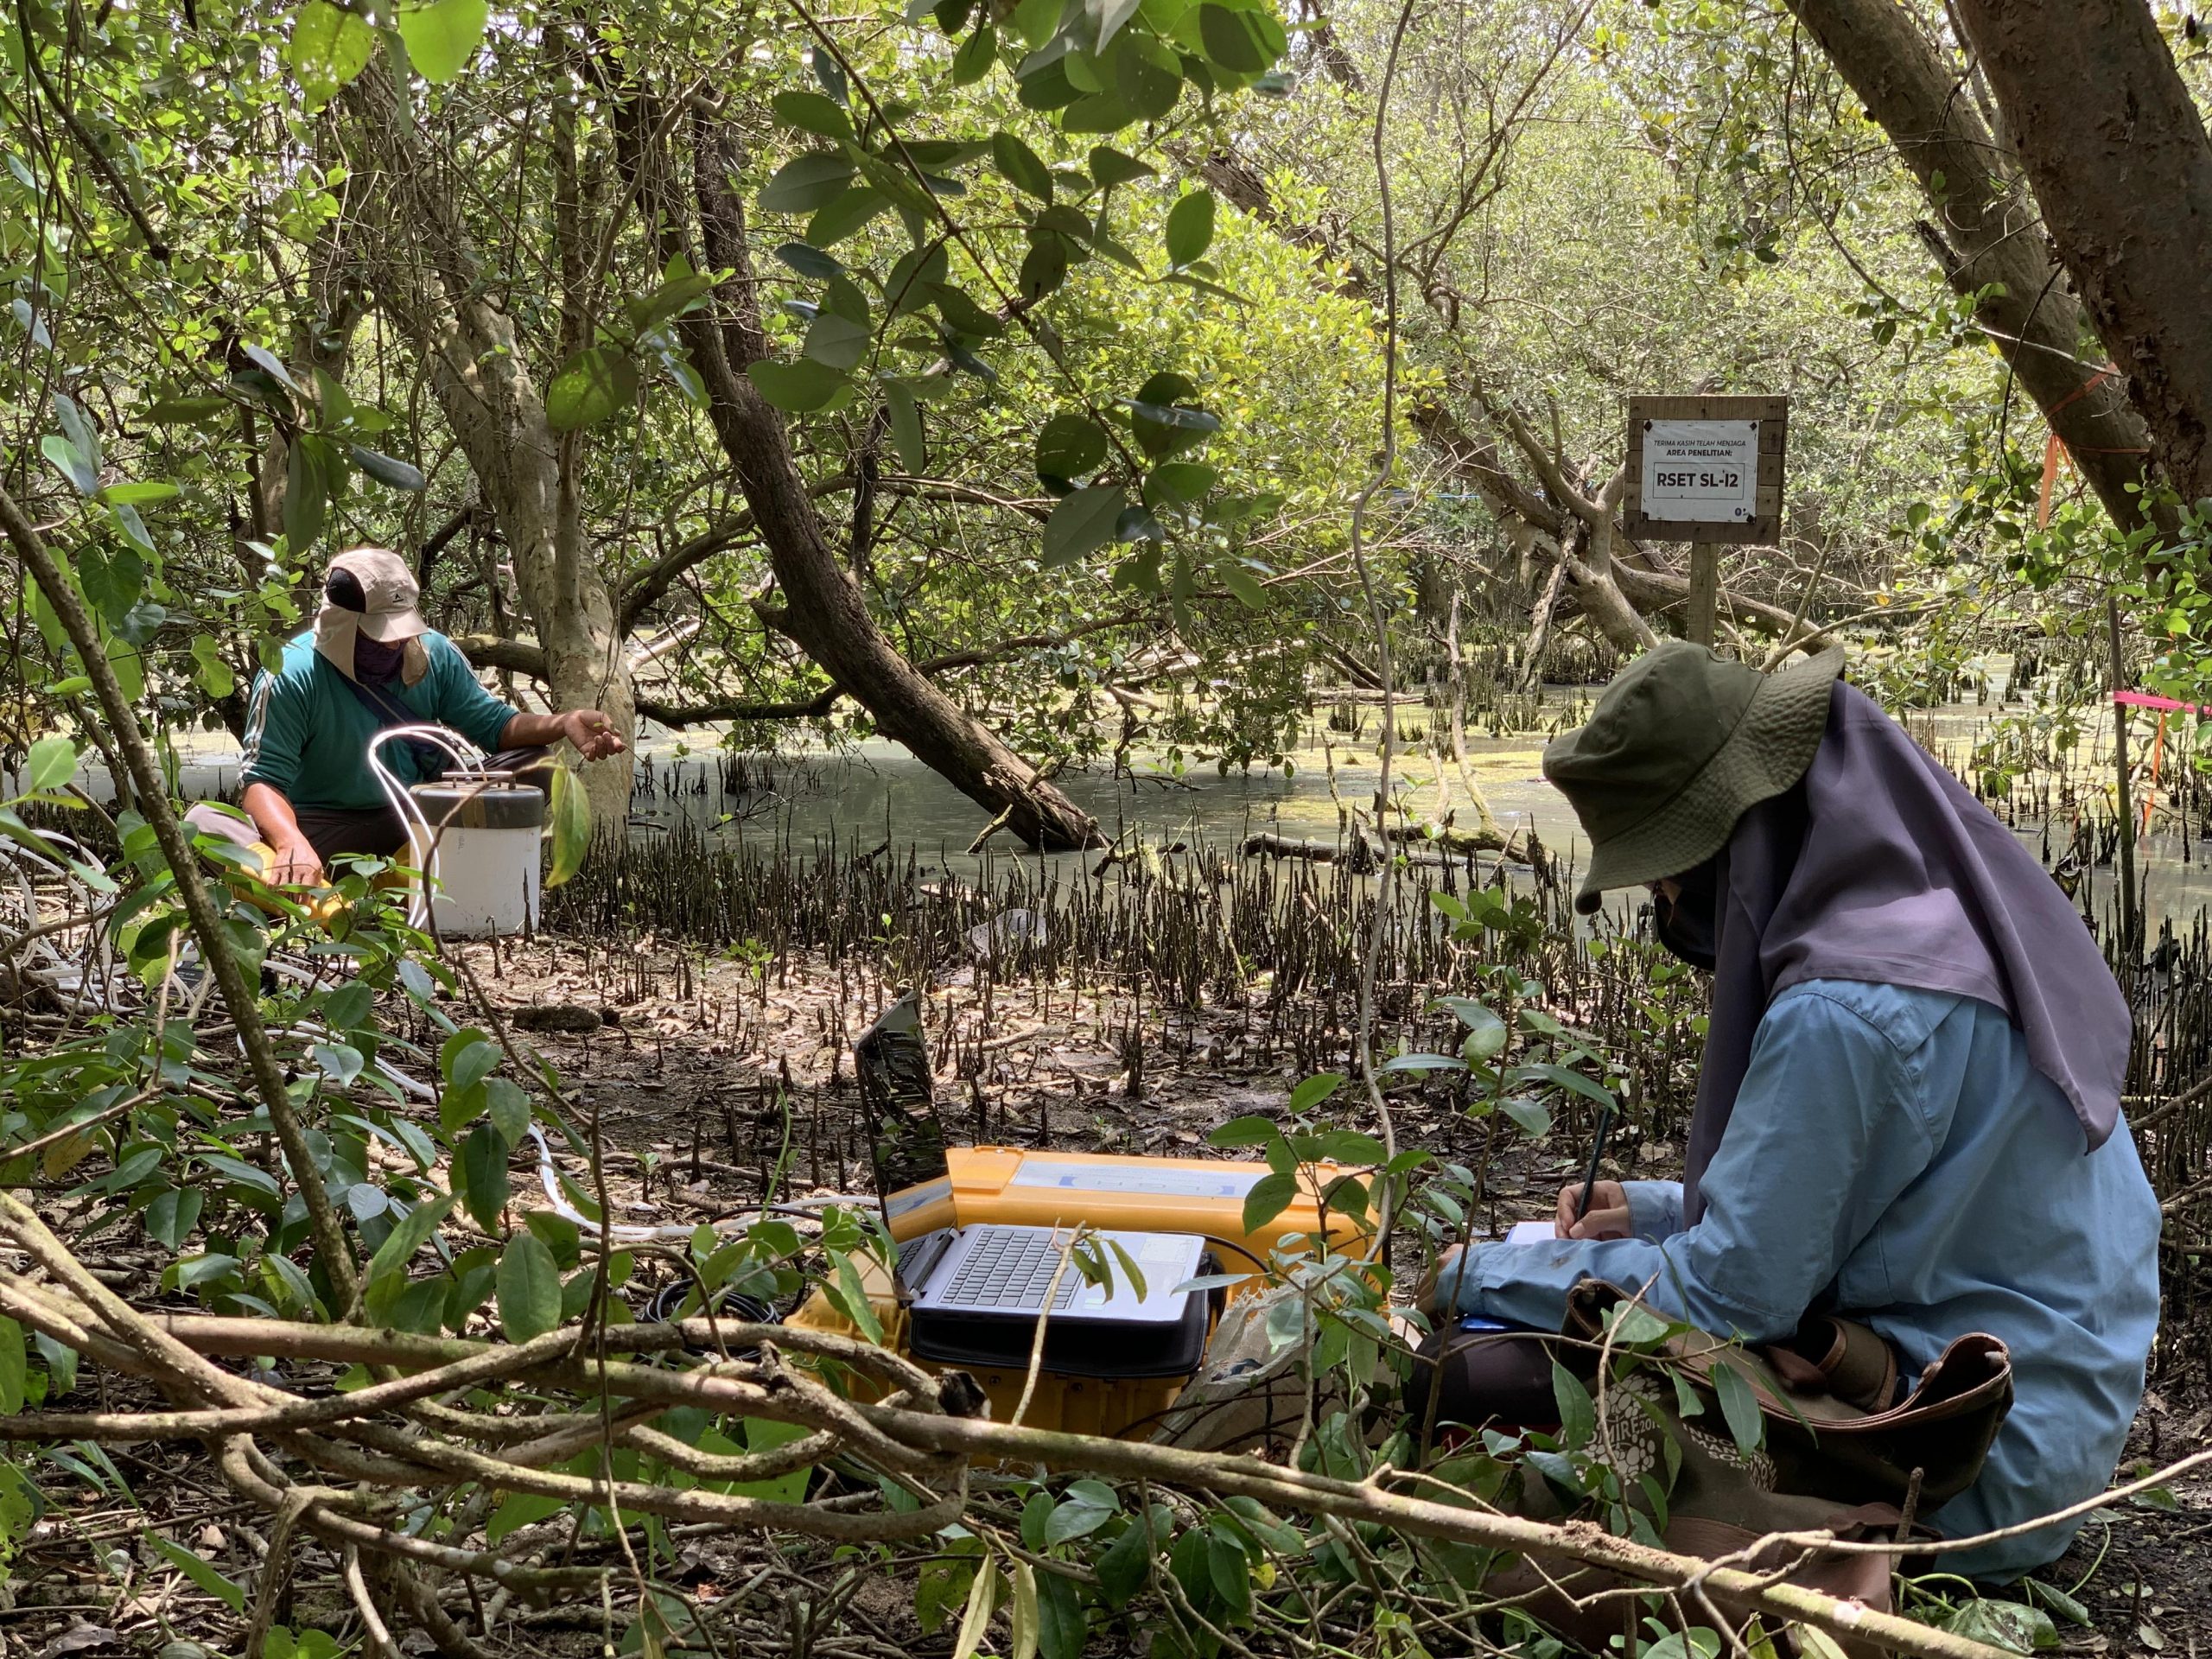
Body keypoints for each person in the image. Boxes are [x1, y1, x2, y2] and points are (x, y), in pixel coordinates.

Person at [1421, 641, 2159, 1581]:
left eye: (1670, 871)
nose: (1665, 900)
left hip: (1959, 1469)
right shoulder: (1943, 923)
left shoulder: (1842, 1009)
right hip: (2053, 1432)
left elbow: (1732, 1299)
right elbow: (1903, 1193)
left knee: (1472, 1372)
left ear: (1743, 834)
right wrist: (1652, 1209)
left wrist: (1475, 1272)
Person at [186, 547, 626, 886]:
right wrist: (289, 842)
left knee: (534, 765)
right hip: (322, 827)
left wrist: (563, 721)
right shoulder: (292, 671)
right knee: (203, 825)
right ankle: (322, 892)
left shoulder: (434, 653)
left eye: (400, 632)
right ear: (340, 623)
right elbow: (262, 781)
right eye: (379, 636)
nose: (394, 645)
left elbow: (496, 726)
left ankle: (394, 879)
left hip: (417, 818)